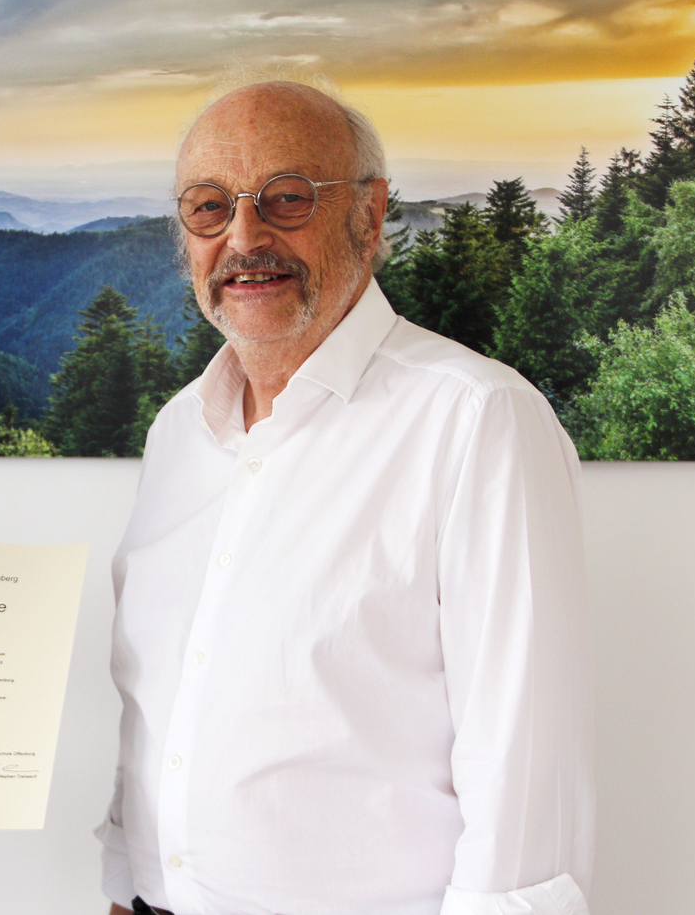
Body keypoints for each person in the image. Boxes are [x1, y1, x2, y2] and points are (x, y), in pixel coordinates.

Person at [97, 79, 594, 915]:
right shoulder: (179, 433)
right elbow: (157, 713)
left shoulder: (476, 419)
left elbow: (523, 778)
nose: (244, 236)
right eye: (209, 207)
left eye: (286, 199)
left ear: (369, 214)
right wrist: (123, 887)